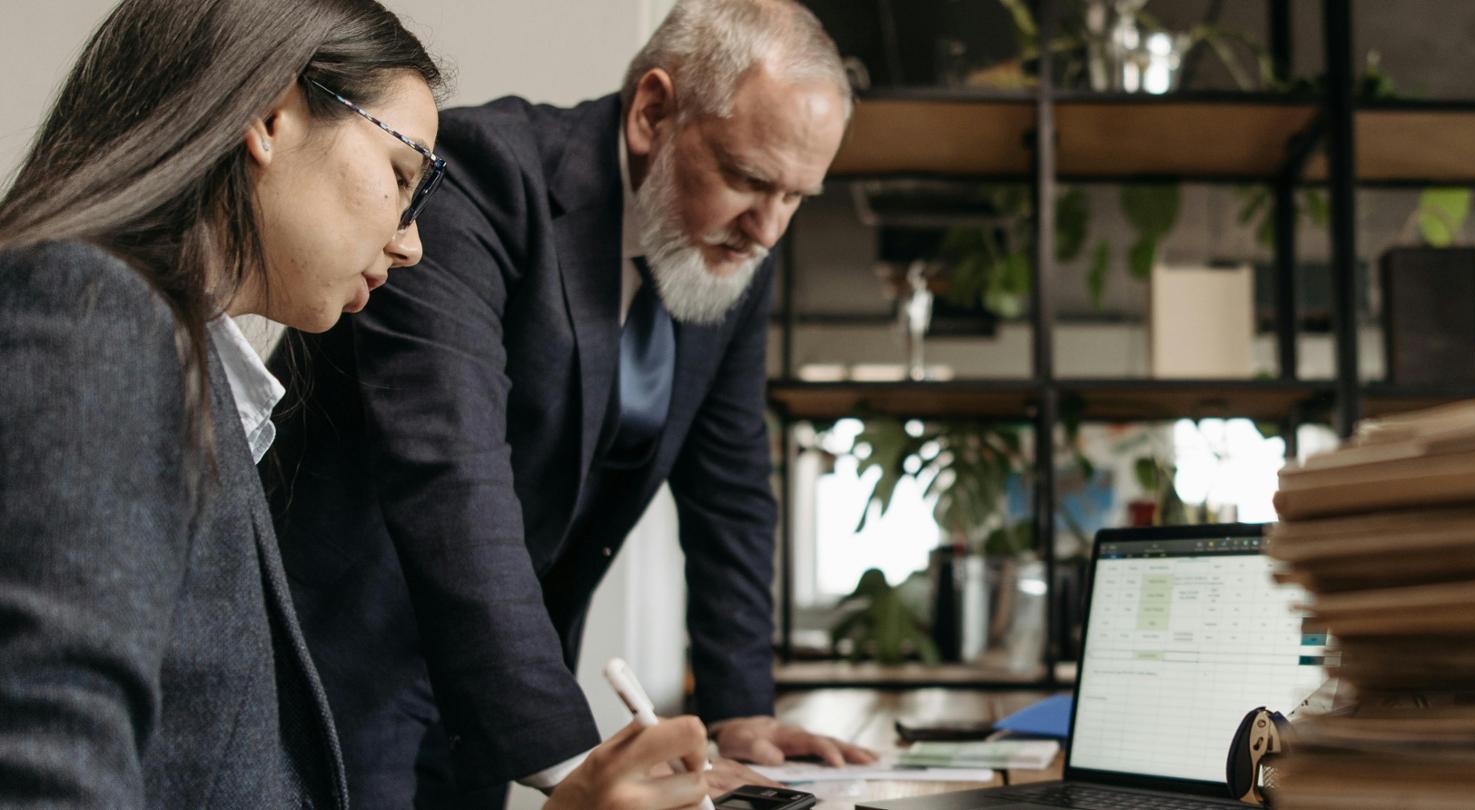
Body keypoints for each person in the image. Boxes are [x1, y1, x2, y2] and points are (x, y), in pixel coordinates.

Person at [0, 1, 711, 808]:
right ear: (270, 116)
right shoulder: (91, 316)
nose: (411, 241)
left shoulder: (187, 376)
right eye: (403, 175)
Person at [264, 0, 874, 804]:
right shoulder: (482, 177)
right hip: (341, 656)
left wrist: (739, 712)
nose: (768, 228)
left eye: (799, 196)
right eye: (748, 178)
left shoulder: (736, 247)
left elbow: (728, 490)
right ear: (653, 111)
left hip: (490, 693)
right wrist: (577, 761)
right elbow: (451, 474)